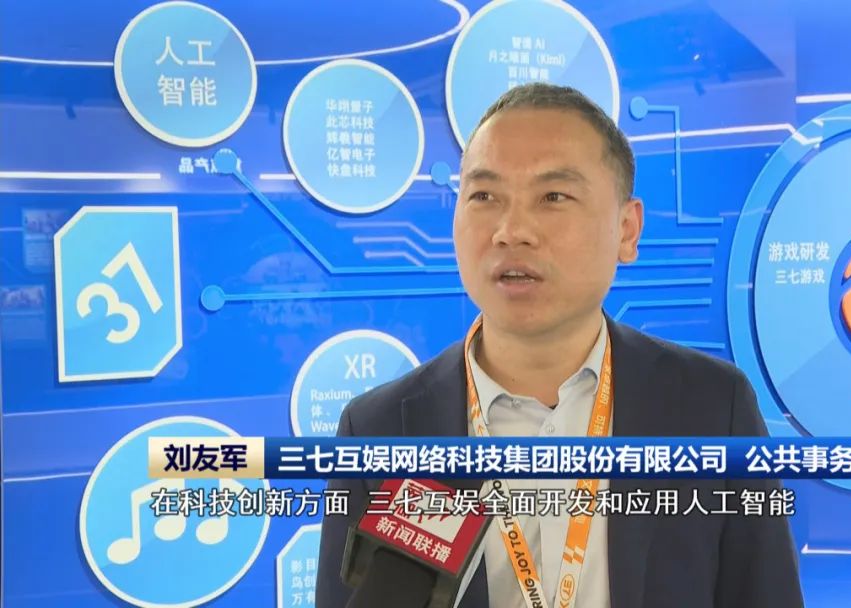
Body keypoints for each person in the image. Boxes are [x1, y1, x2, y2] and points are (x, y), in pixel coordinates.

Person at [316, 82, 803, 607]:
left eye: (553, 197)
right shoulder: (380, 430)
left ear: (627, 229)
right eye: (484, 196)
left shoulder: (711, 408)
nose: (511, 230)